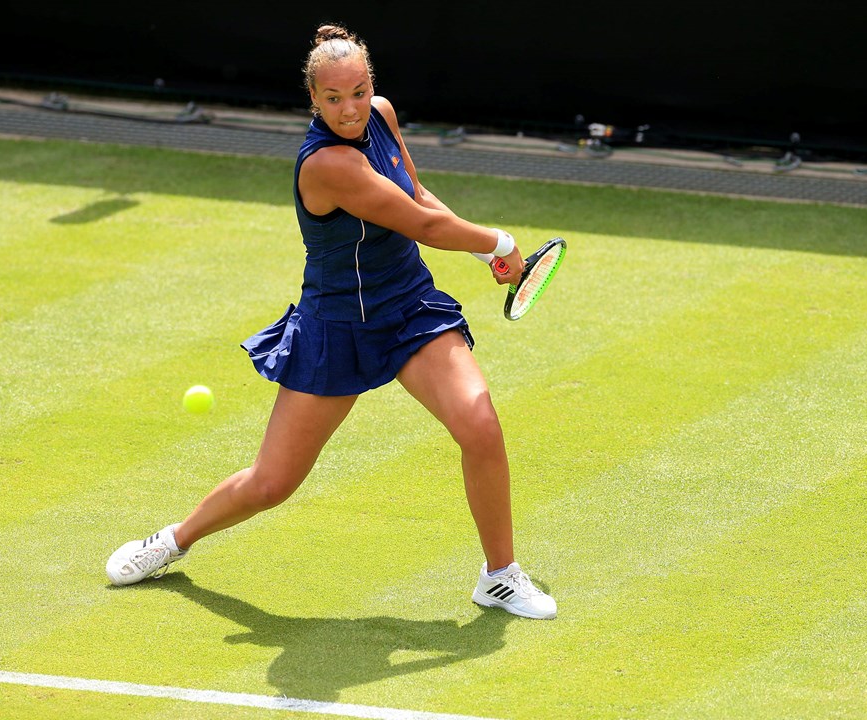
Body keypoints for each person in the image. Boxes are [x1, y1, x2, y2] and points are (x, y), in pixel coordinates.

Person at [106, 23, 557, 620]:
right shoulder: (325, 166)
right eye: (334, 99)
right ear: (313, 101)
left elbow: (418, 196)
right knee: (273, 484)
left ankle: (499, 576)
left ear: (372, 84)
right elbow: (416, 227)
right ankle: (172, 540)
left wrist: (483, 254)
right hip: (337, 326)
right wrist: (502, 240)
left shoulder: (382, 115)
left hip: (409, 309)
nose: (350, 109)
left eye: (359, 91)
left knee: (480, 425)